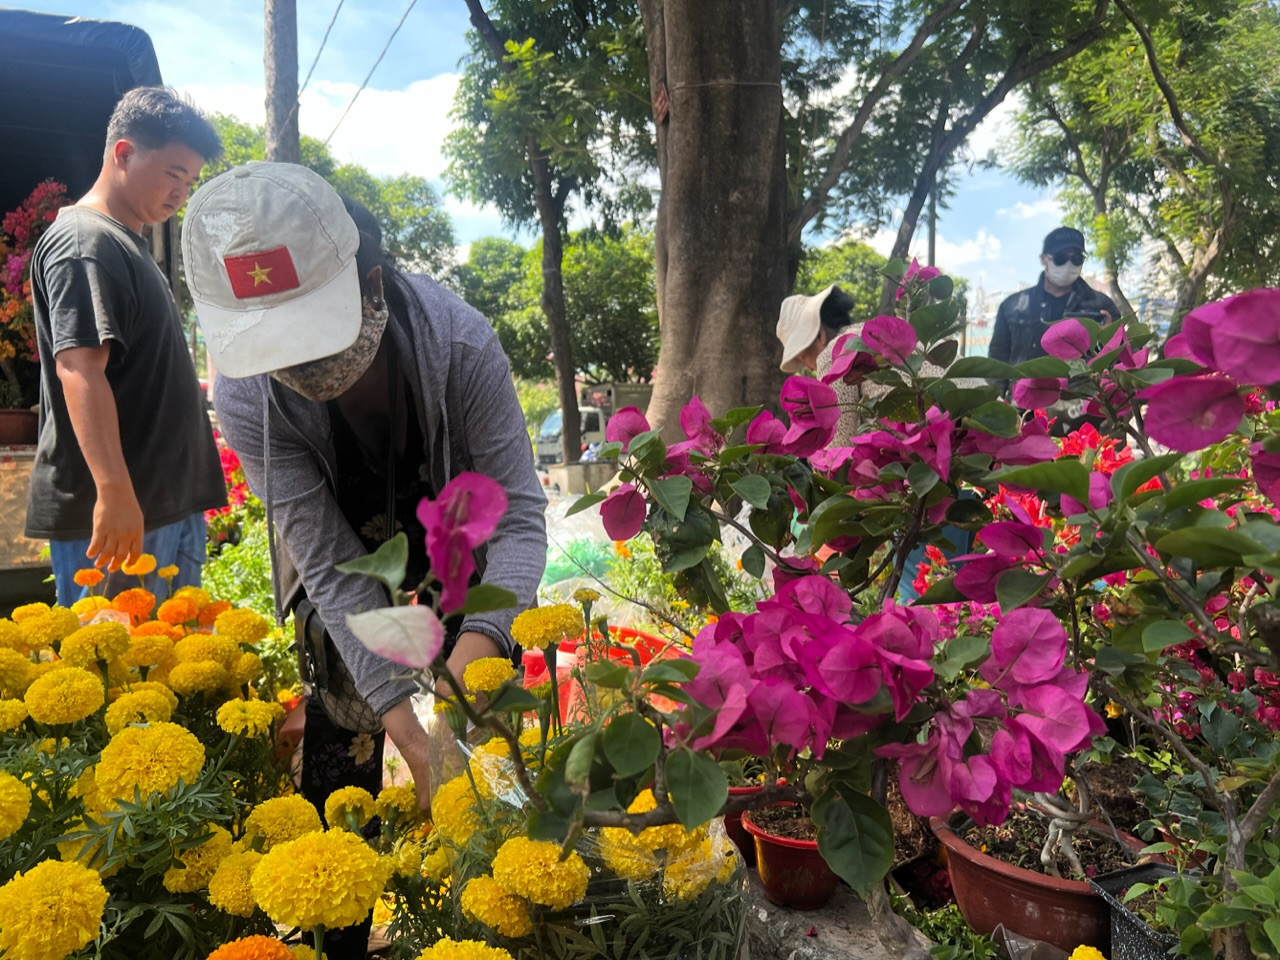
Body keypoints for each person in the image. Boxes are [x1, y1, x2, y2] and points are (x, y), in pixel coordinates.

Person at [184, 162, 546, 958]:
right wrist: (409, 728)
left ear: (371, 285)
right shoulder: (245, 393)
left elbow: (517, 519)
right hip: (346, 595)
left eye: (314, 332)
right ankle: (335, 940)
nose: (304, 370)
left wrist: (468, 674)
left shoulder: (459, 344)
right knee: (344, 772)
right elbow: (323, 554)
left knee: (492, 804)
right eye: (273, 344)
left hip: (462, 580)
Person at [25, 86, 226, 605]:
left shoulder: (125, 241)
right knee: (118, 676)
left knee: (179, 677)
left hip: (164, 505)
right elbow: (79, 369)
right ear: (124, 153)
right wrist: (113, 491)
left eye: (190, 181)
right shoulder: (84, 242)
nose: (181, 192)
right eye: (173, 174)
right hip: (124, 517)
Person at [989, 226, 1120, 370]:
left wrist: (1107, 340)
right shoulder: (1012, 307)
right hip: (1027, 390)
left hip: (1083, 391)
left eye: (1077, 258)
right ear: (1044, 259)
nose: (1069, 264)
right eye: (1061, 258)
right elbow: (997, 365)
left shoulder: (1102, 305)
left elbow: (1120, 362)